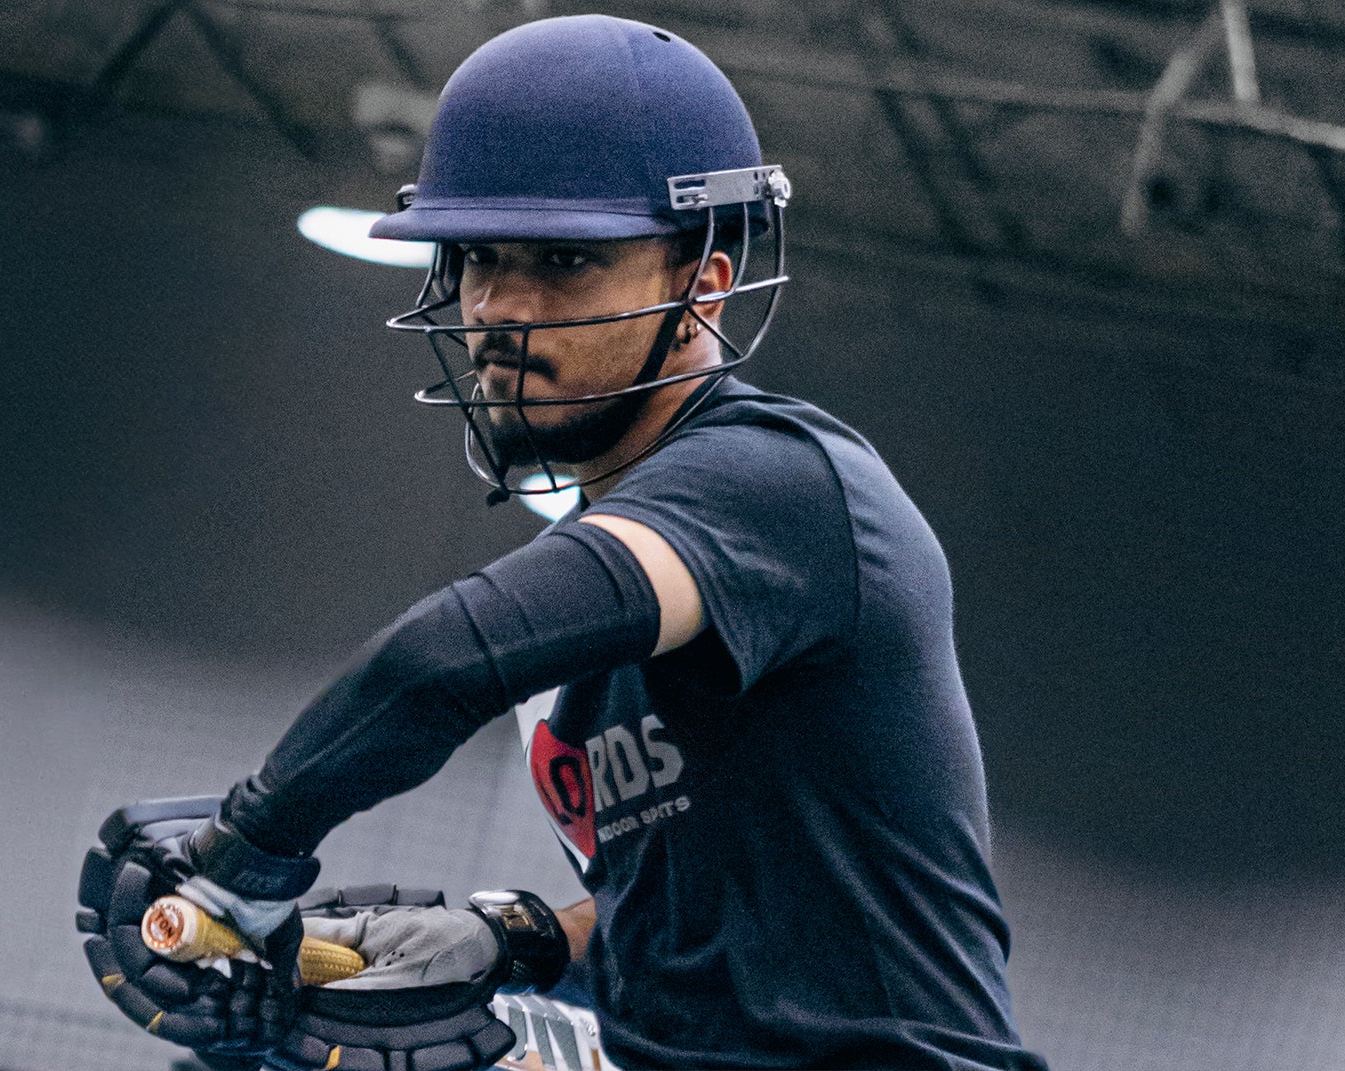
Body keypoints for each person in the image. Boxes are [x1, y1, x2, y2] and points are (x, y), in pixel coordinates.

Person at [79, 14, 1047, 1071]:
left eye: (564, 262)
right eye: (480, 258)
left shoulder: (776, 484)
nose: (501, 308)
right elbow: (689, 920)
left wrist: (240, 858)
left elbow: (441, 660)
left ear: (702, 287)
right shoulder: (620, 593)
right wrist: (514, 939)